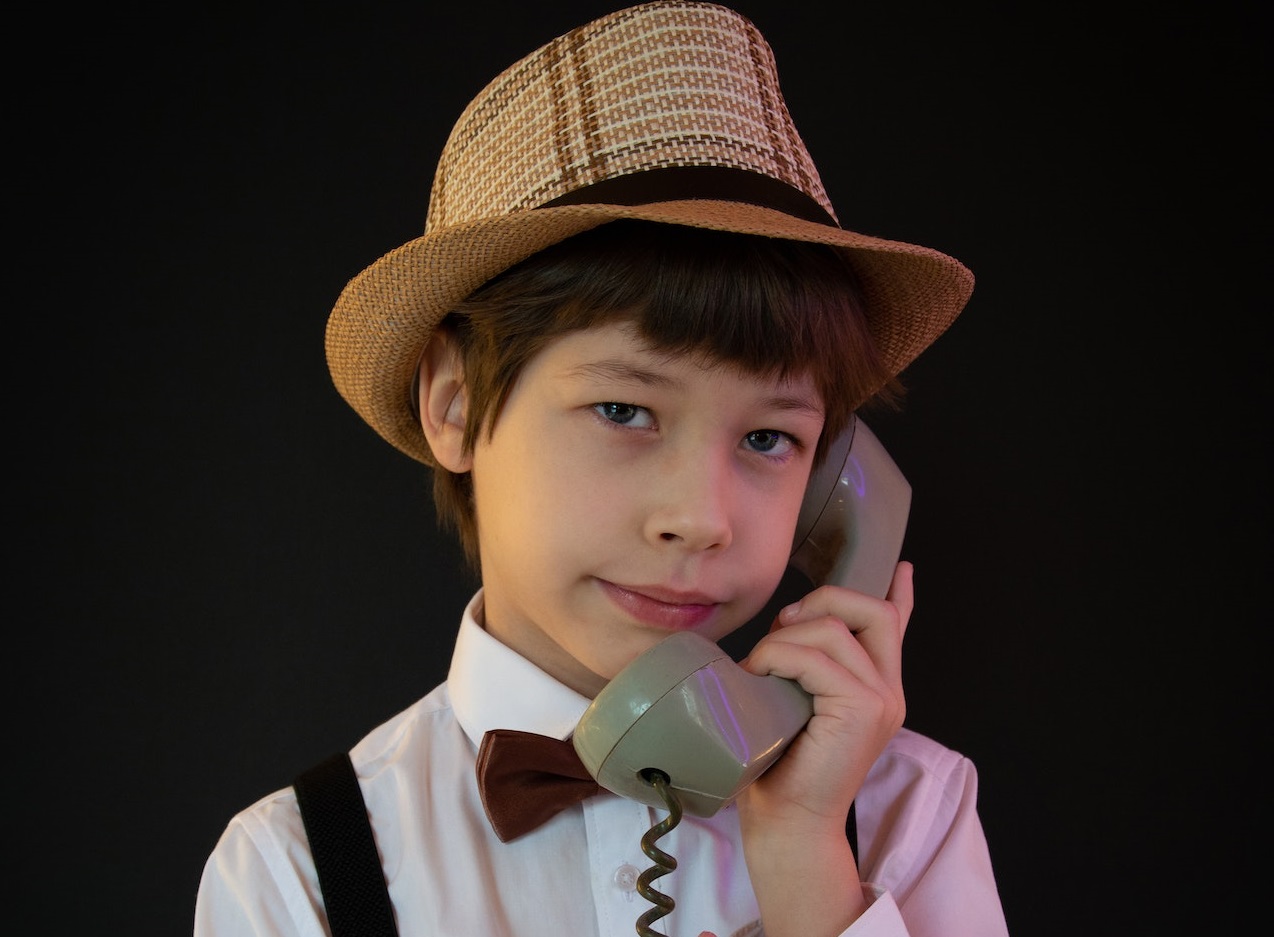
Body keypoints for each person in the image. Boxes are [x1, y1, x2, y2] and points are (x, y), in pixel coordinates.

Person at [194, 2, 1009, 935]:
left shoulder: (907, 813)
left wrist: (806, 857)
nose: (701, 518)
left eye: (768, 439)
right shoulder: (296, 869)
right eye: (624, 411)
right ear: (454, 404)